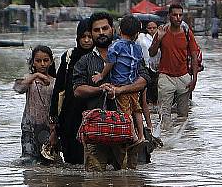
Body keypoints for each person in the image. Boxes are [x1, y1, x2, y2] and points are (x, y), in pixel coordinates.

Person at [73, 11, 147, 172]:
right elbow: (77, 90)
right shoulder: (85, 61)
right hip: (96, 129)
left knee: (129, 181)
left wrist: (120, 90)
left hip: (126, 132)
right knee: (94, 182)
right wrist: (99, 89)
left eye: (105, 28)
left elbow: (144, 79)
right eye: (96, 30)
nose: (101, 33)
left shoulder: (131, 52)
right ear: (91, 33)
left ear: (113, 29)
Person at [92, 14, 146, 145]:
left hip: (119, 85)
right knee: (137, 110)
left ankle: (133, 136)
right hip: (133, 84)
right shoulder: (138, 48)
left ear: (119, 30)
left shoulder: (116, 46)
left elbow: (110, 63)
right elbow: (138, 66)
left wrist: (101, 75)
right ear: (137, 33)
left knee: (125, 112)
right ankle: (142, 135)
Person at [49, 19, 94, 165]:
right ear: (77, 37)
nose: (86, 40)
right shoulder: (69, 57)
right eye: (83, 37)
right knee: (71, 162)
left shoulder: (101, 57)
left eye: (89, 36)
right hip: (69, 116)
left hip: (92, 115)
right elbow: (59, 88)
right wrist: (53, 118)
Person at [149, 3, 200, 132]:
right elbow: (151, 53)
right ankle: (166, 140)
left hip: (183, 77)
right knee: (164, 114)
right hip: (166, 77)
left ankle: (181, 143)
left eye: (180, 15)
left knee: (183, 115)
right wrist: (158, 39)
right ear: (169, 16)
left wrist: (194, 79)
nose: (178, 18)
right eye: (175, 15)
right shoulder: (162, 32)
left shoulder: (187, 33)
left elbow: (194, 57)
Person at [13, 45, 56, 160]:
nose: (42, 64)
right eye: (38, 61)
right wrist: (35, 75)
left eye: (46, 60)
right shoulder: (28, 79)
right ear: (33, 63)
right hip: (29, 126)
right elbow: (18, 89)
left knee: (48, 159)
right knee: (28, 159)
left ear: (51, 61)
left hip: (48, 126)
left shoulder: (55, 82)